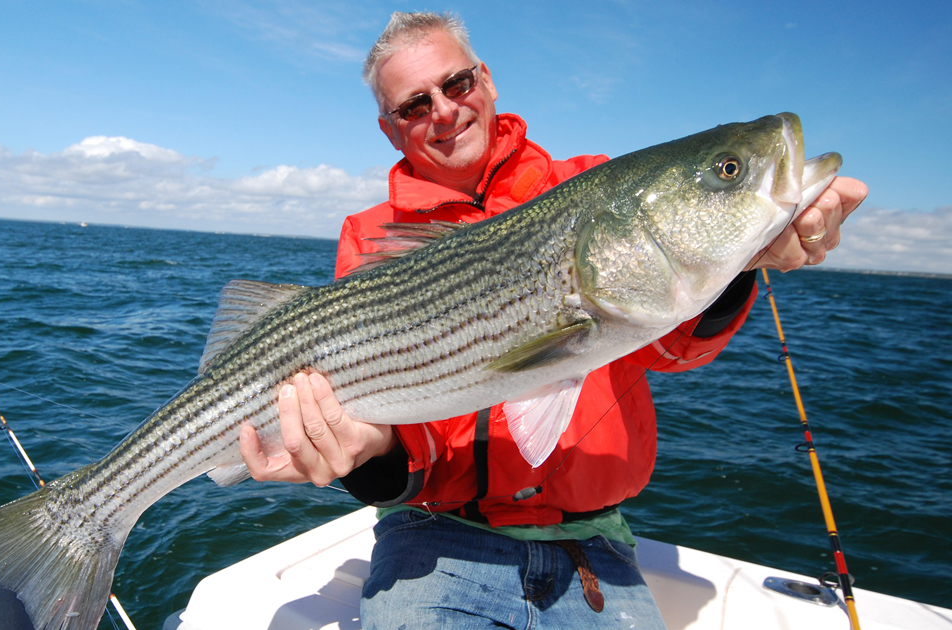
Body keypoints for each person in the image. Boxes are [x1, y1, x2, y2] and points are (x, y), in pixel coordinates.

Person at [239, 11, 868, 629]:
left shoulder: (592, 186)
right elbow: (402, 416)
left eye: (456, 84)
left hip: (593, 547)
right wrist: (366, 458)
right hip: (433, 539)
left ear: (484, 80)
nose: (445, 111)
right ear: (389, 127)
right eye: (414, 105)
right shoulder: (372, 238)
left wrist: (739, 264)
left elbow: (677, 349)